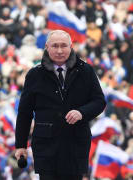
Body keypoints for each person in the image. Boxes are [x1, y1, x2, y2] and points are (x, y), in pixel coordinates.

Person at [14, 30, 106, 180]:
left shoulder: (86, 71)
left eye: (63, 46)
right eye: (54, 46)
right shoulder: (34, 74)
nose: (59, 50)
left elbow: (99, 102)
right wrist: (21, 144)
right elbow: (24, 112)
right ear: (46, 47)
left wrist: (81, 112)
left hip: (75, 146)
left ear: (71, 46)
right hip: (46, 147)